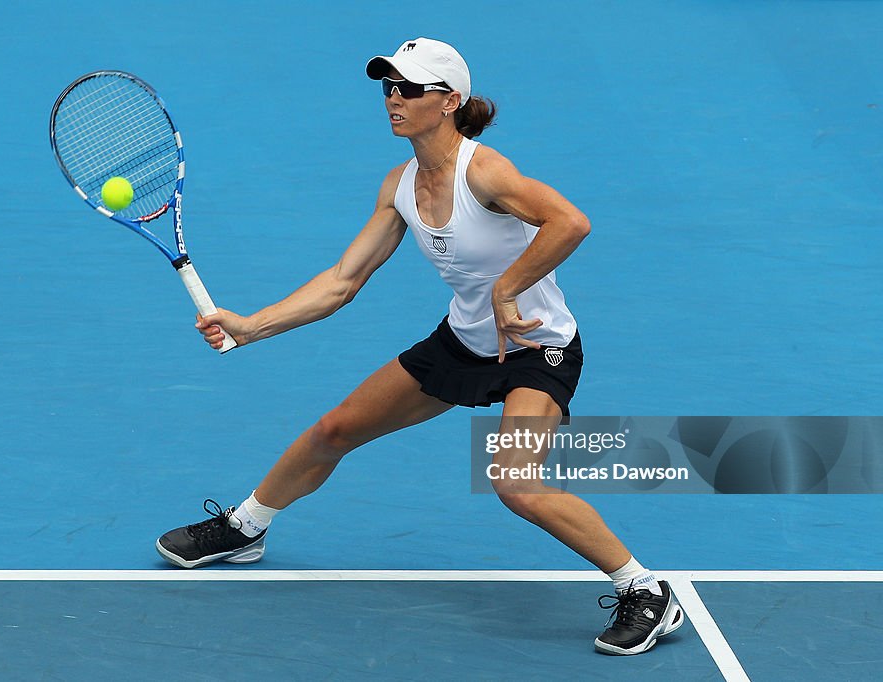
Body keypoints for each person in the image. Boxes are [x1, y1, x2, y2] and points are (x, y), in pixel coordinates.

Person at [156, 37, 684, 656]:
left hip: (536, 349)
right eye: (388, 87)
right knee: (335, 430)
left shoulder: (484, 172)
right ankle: (245, 527)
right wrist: (252, 325)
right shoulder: (400, 184)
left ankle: (646, 590)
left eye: (409, 88)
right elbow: (342, 281)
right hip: (461, 344)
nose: (393, 99)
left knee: (515, 483)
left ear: (450, 100)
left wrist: (509, 289)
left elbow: (571, 221)